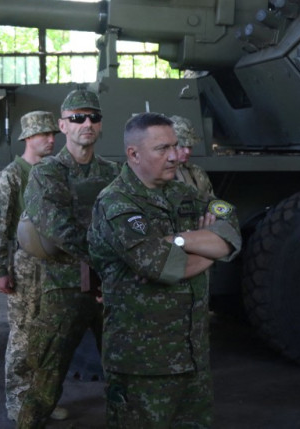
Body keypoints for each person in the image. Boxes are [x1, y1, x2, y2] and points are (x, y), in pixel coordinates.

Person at [88, 112, 242, 428]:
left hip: (192, 355)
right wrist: (206, 249)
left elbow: (230, 237)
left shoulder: (184, 193)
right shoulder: (117, 204)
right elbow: (165, 266)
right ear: (134, 154)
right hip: (143, 365)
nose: (174, 156)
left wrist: (180, 240)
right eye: (162, 149)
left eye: (175, 146)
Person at [17, 89, 120, 428]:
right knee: (45, 380)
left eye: (93, 117)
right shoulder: (47, 173)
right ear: (63, 125)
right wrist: (108, 262)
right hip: (64, 289)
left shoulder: (114, 173)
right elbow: (58, 227)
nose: (86, 123)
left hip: (111, 289)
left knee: (125, 374)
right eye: (77, 117)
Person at [0, 110, 61, 422]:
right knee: (22, 337)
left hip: (55, 266)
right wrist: (1, 271)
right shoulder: (11, 176)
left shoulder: (55, 171)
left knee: (51, 337)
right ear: (28, 137)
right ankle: (19, 405)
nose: (50, 139)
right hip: (25, 266)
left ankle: (42, 403)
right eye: (43, 134)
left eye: (52, 134)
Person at [171, 115, 214, 196]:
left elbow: (211, 202)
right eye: (182, 146)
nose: (187, 151)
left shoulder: (198, 172)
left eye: (190, 147)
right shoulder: (157, 174)